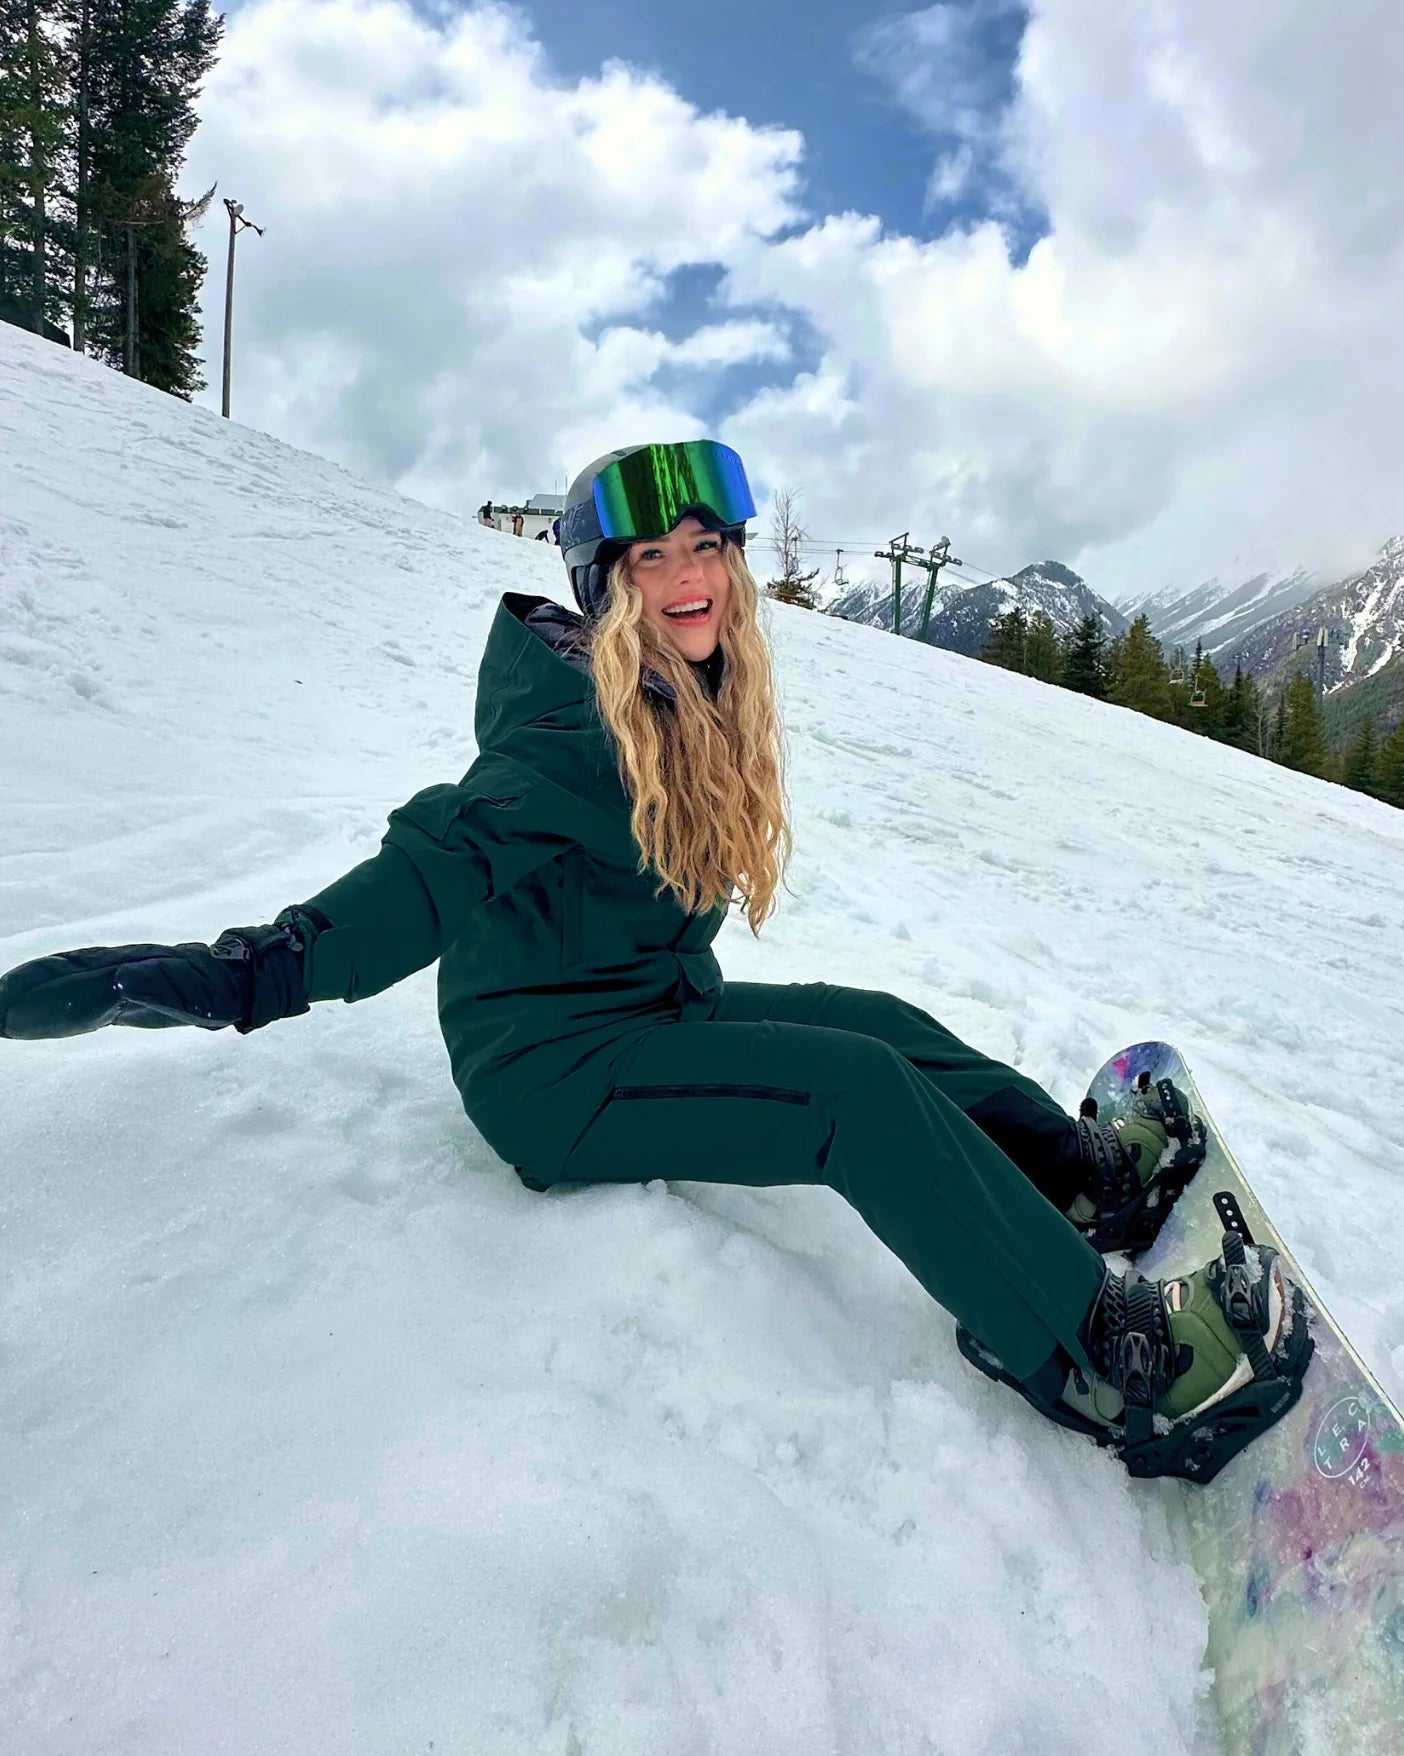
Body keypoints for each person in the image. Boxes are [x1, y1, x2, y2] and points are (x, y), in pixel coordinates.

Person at [0, 440, 1309, 1483]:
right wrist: (236, 975)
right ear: (602, 586)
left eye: (710, 545)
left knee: (883, 1024)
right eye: (649, 557)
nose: (690, 575)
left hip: (643, 1011)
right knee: (853, 1098)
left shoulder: (694, 690)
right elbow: (418, 884)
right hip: (558, 1081)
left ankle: (1068, 1182)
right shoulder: (557, 747)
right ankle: (1096, 1355)